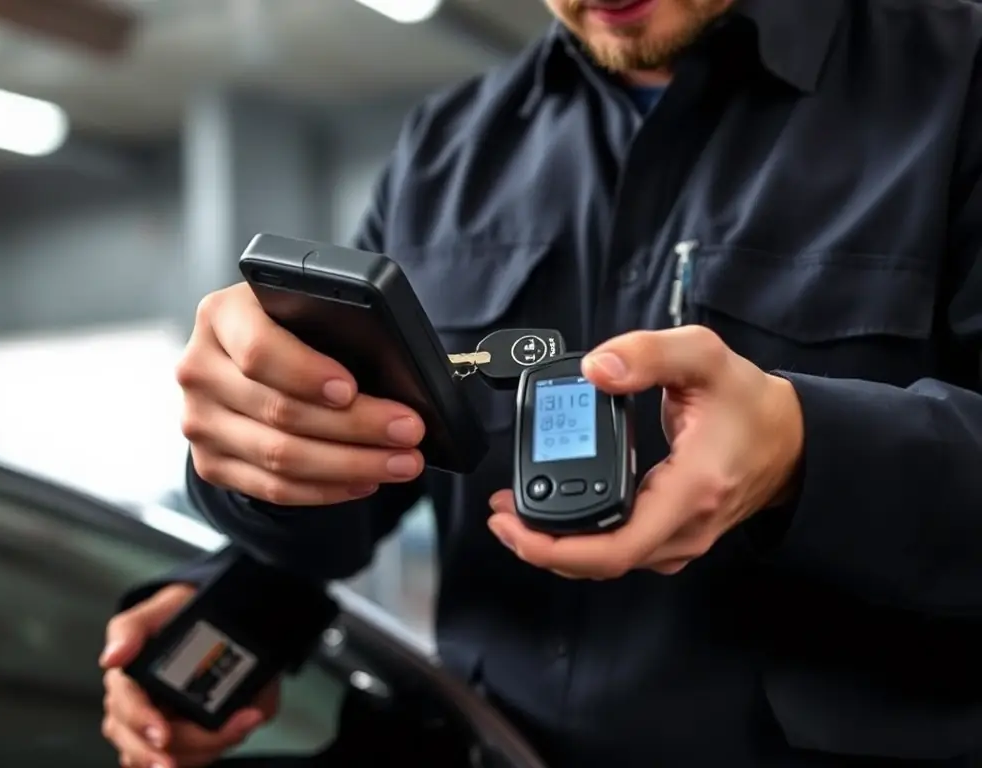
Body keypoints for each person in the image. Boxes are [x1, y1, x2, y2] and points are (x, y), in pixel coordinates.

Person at [100, 0, 982, 765]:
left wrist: (802, 449)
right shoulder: (446, 149)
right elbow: (360, 493)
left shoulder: (959, 84)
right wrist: (254, 490)